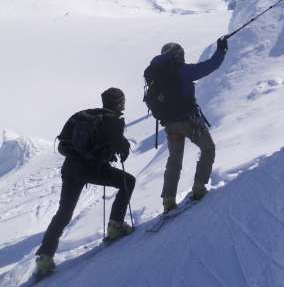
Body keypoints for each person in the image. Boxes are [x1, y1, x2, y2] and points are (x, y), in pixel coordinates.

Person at [35, 88, 135, 277]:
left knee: (63, 213)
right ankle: (116, 226)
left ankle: (44, 258)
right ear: (118, 103)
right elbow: (121, 147)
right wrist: (124, 148)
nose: (124, 104)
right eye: (123, 101)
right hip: (91, 169)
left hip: (70, 168)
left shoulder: (84, 115)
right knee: (128, 182)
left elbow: (63, 140)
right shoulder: (113, 121)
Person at [147, 38, 227, 213]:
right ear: (178, 56)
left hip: (170, 125)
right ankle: (198, 187)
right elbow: (211, 66)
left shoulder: (156, 74)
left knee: (174, 160)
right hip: (189, 121)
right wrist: (221, 49)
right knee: (208, 149)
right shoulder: (183, 71)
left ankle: (168, 199)